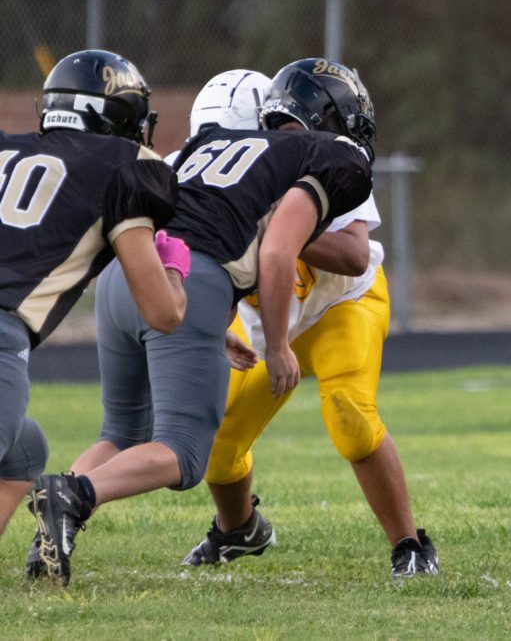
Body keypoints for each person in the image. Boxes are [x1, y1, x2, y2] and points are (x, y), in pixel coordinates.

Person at [25, 57, 374, 586]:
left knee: (121, 432)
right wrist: (277, 344)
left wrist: (212, 323)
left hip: (126, 275)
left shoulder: (195, 150)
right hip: (191, 280)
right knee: (184, 454)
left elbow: (193, 222)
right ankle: (73, 496)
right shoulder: (330, 155)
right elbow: (275, 252)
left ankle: (51, 531)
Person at [176, 64, 438, 578]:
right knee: (218, 440)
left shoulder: (320, 158)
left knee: (350, 415)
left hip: (341, 304)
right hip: (266, 318)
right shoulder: (193, 173)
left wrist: (280, 225)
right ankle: (238, 530)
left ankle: (409, 544)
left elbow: (354, 255)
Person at [0, 49, 187, 537]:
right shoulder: (124, 166)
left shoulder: (6, 148)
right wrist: (173, 265)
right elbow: (164, 314)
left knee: (24, 453)